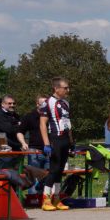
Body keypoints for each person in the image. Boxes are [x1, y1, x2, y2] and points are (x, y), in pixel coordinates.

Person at [39, 77, 74, 211]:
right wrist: (46, 143)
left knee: (60, 170)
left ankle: (57, 198)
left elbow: (67, 123)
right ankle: (46, 199)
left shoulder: (66, 103)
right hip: (55, 138)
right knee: (54, 169)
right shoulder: (47, 102)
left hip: (65, 139)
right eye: (65, 88)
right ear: (56, 88)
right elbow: (42, 124)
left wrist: (71, 141)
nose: (68, 90)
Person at [20, 95, 49, 201]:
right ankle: (33, 199)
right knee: (34, 177)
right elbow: (20, 131)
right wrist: (23, 143)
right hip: (34, 151)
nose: (45, 105)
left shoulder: (50, 116)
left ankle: (46, 199)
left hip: (49, 151)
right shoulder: (29, 116)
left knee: (48, 176)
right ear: (37, 104)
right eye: (43, 103)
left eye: (47, 103)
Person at [0, 95, 28, 170]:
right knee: (5, 173)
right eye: (9, 103)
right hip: (4, 149)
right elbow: (9, 129)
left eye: (14, 103)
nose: (12, 105)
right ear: (3, 104)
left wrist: (18, 126)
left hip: (16, 148)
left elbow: (21, 129)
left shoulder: (15, 115)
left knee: (17, 172)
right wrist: (18, 125)